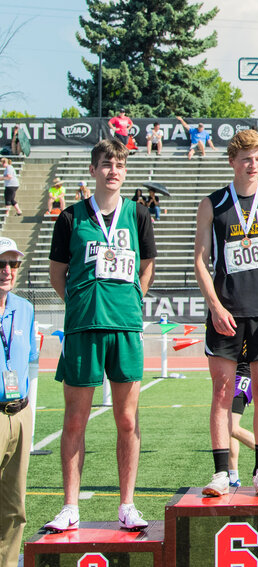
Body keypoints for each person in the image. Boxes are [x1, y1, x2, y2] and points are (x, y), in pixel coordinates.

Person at [45, 139, 156, 532]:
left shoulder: (138, 214)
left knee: (127, 420)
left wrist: (132, 299)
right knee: (75, 420)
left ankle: (127, 504)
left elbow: (146, 266)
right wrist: (81, 302)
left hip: (124, 326)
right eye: (107, 164)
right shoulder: (71, 218)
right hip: (83, 327)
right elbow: (58, 274)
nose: (114, 171)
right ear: (93, 170)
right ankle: (70, 506)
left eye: (120, 165)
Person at [193, 129, 258, 497]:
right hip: (227, 313)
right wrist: (215, 306)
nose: (254, 165)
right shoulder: (213, 204)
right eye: (247, 159)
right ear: (233, 161)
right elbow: (200, 262)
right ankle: (222, 472)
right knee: (222, 392)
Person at [0, 238, 38, 567]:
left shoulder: (24, 309)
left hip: (20, 412)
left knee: (14, 506)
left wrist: (29, 415)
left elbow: (30, 363)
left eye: (13, 264)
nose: (7, 271)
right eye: (0, 264)